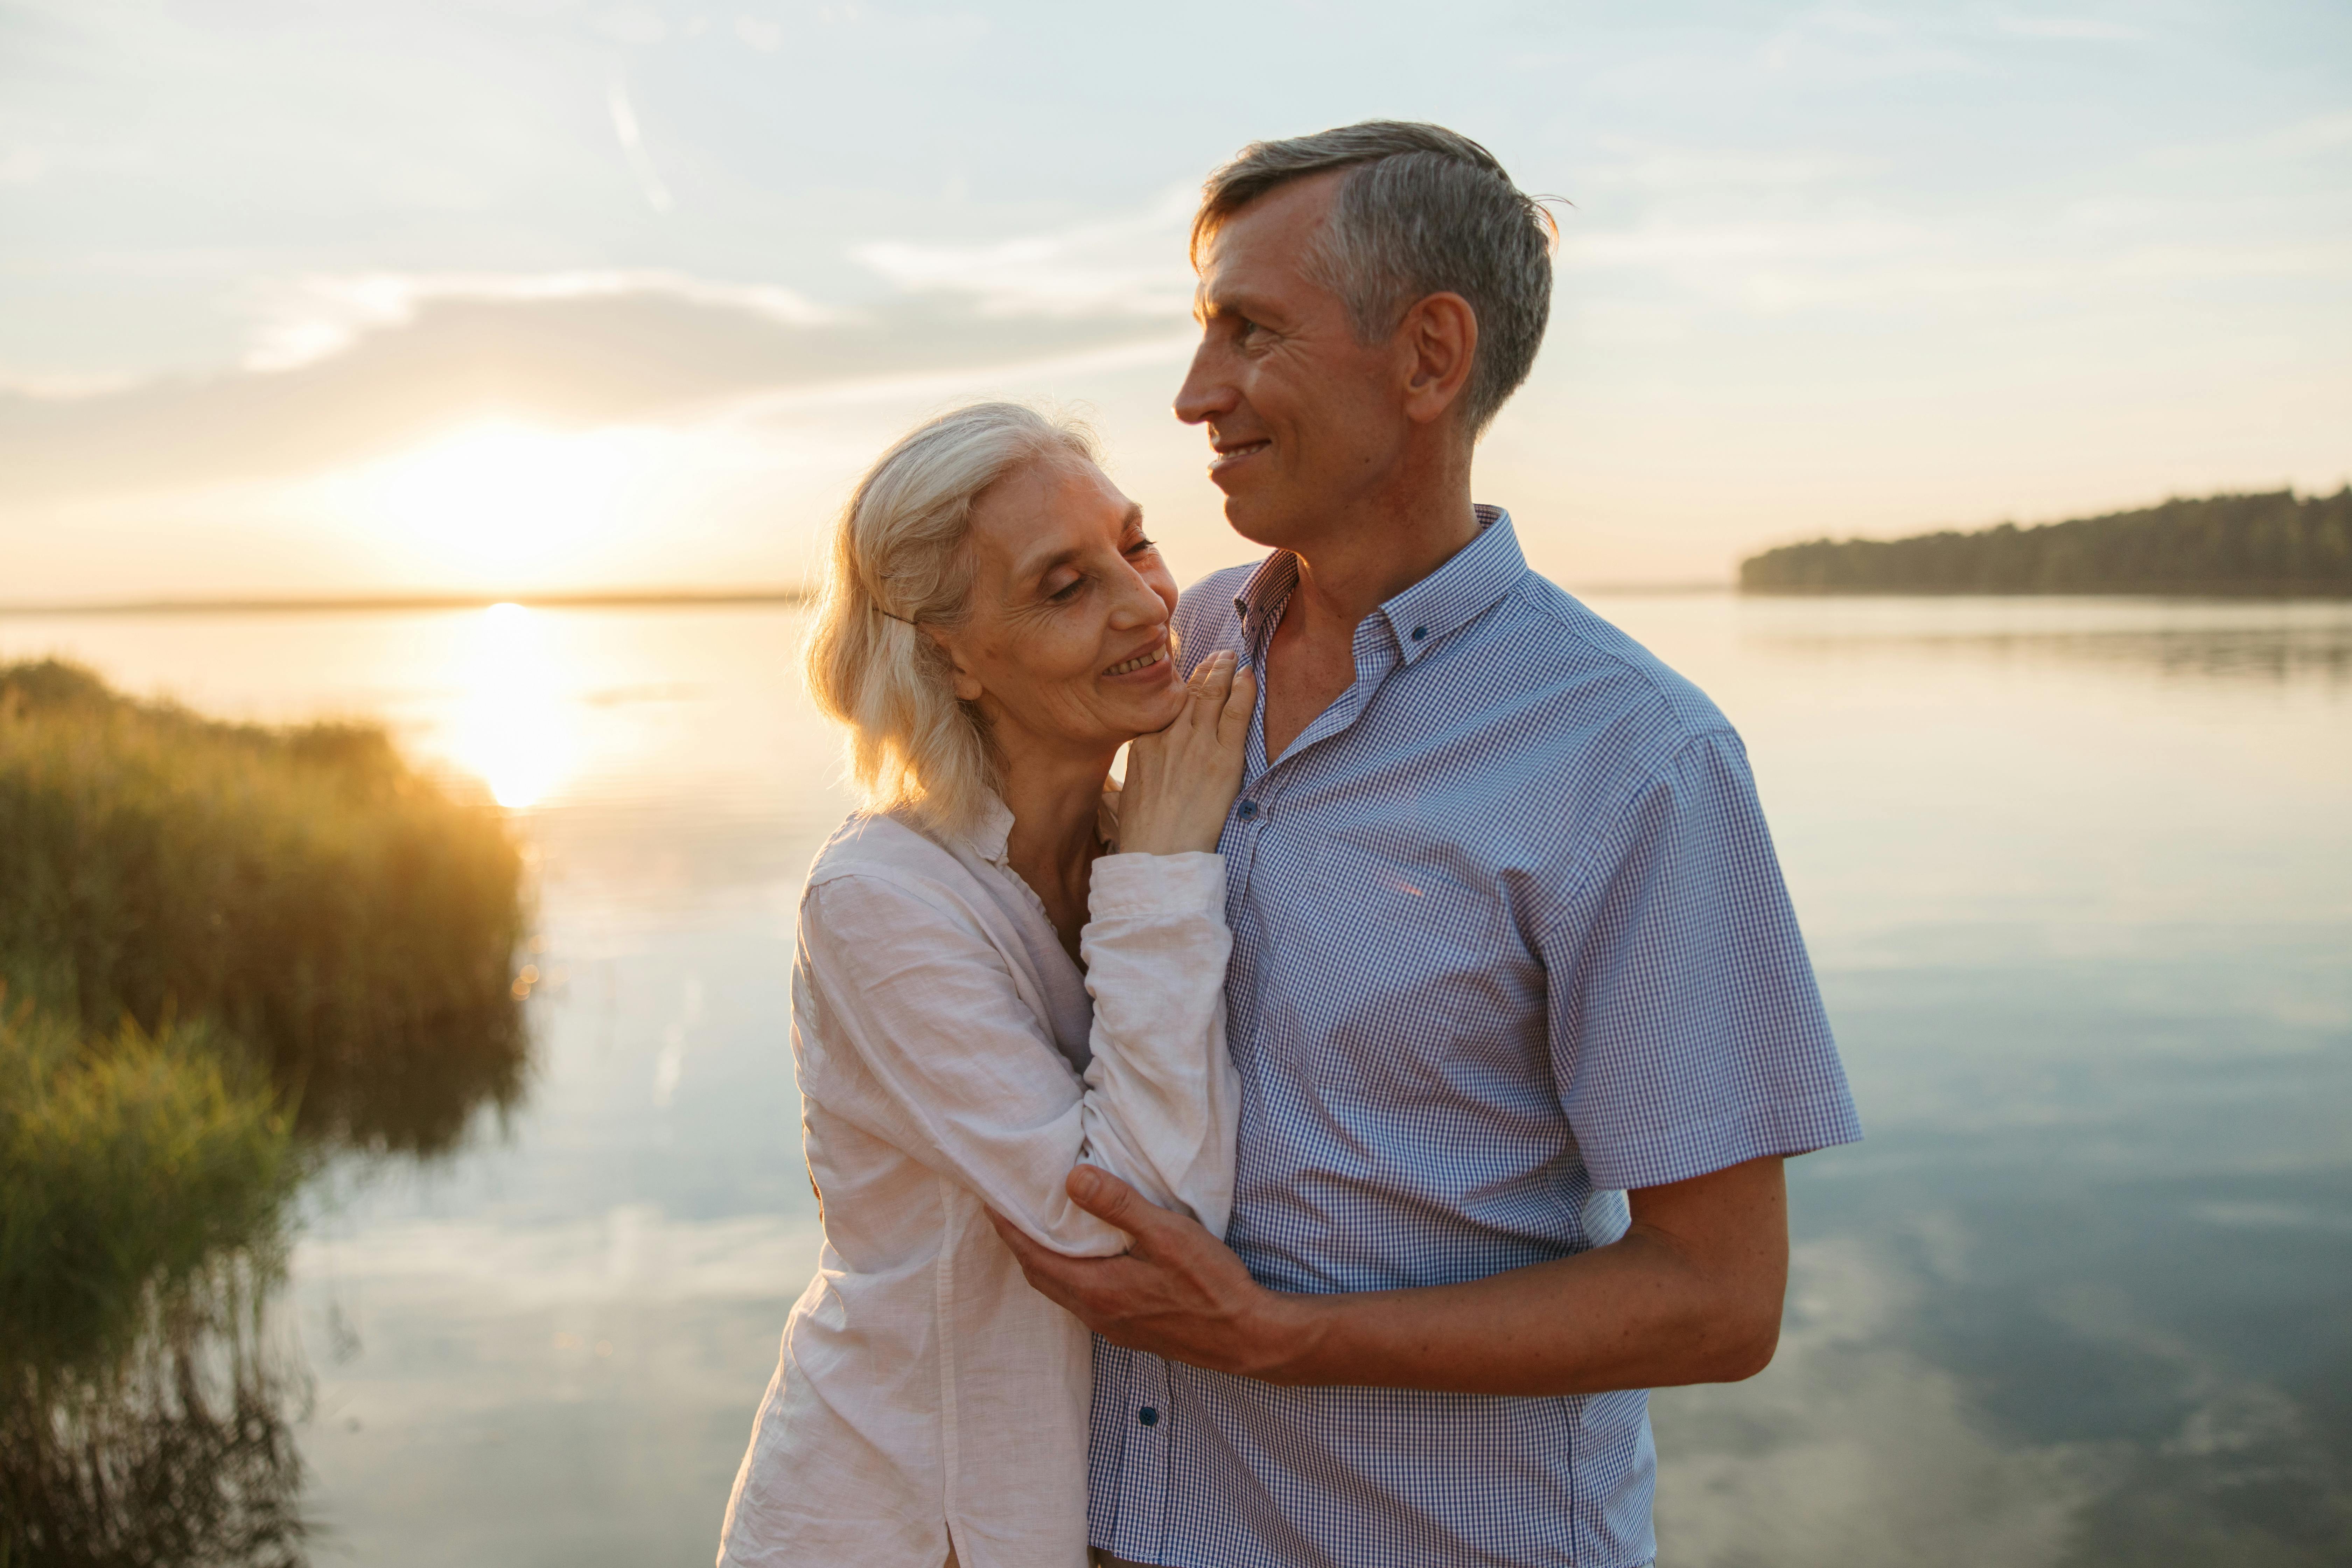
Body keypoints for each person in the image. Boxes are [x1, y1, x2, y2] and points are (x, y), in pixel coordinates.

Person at [991, 122, 1864, 1568]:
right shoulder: (1170, 645)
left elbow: (1719, 1300)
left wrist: (1285, 1340)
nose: (1196, 394)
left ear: (1429, 357)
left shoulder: (1636, 758)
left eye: (1249, 333)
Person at [716, 402, 1256, 1568]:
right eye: (1064, 586)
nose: (1145, 602)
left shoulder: (1129, 841)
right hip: (898, 1519)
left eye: (1136, 542)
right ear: (948, 653)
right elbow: (1126, 1235)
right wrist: (1166, 871)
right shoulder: (882, 899)